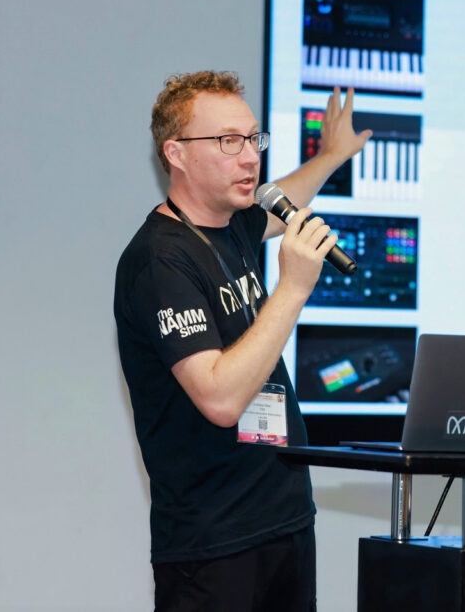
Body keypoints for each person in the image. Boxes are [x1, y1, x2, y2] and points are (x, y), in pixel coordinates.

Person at [114, 70, 371, 611]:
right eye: (228, 142)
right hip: (215, 545)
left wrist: (331, 156)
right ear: (176, 153)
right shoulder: (161, 261)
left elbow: (285, 195)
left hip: (284, 522)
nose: (250, 157)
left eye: (253, 139)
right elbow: (221, 400)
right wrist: (294, 287)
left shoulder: (231, 223)